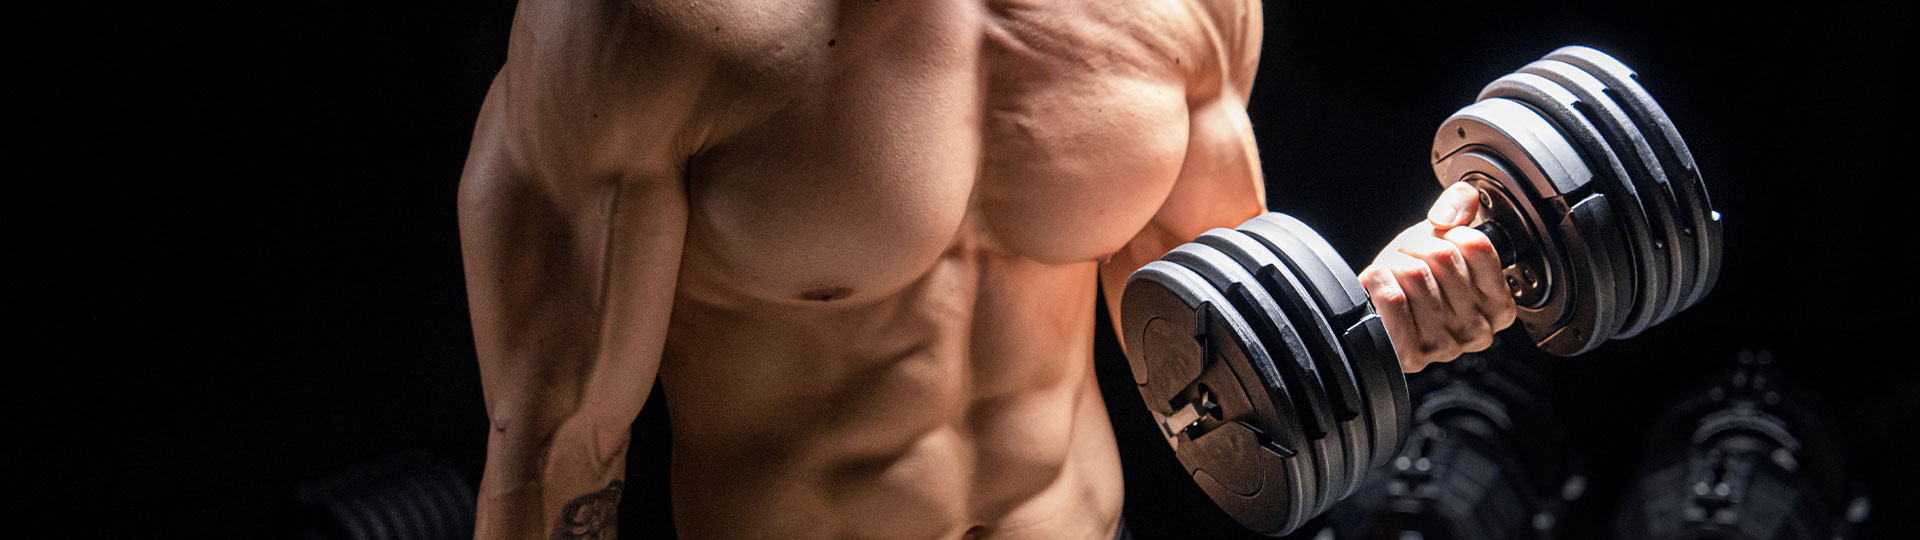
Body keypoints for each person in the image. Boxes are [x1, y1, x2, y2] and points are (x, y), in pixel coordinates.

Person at [456, 1, 1515, 538]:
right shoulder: (654, 25)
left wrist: (1377, 314)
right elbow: (562, 446)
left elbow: (1229, 353)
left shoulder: (1174, 9)